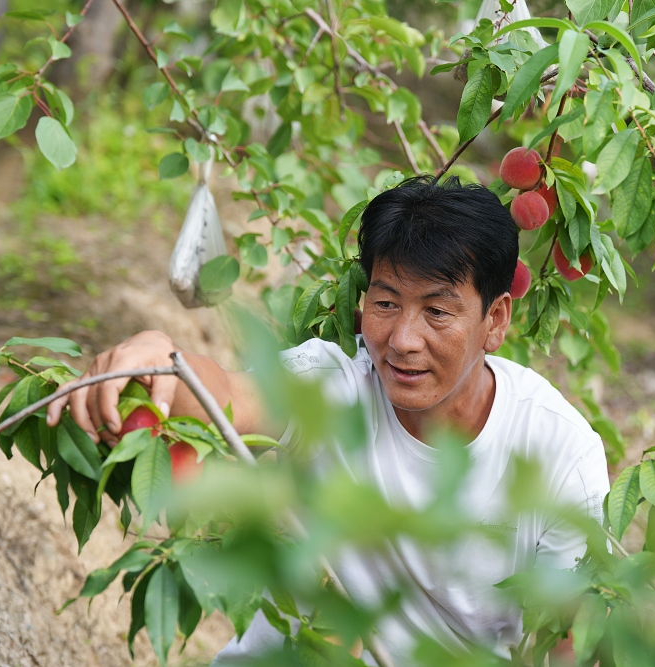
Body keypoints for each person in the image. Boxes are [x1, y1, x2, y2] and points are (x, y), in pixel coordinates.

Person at [46, 176, 610, 665]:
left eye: (437, 311)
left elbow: (566, 636)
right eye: (386, 304)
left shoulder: (557, 451)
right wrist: (158, 359)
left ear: (495, 319)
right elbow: (223, 396)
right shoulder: (330, 387)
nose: (403, 340)